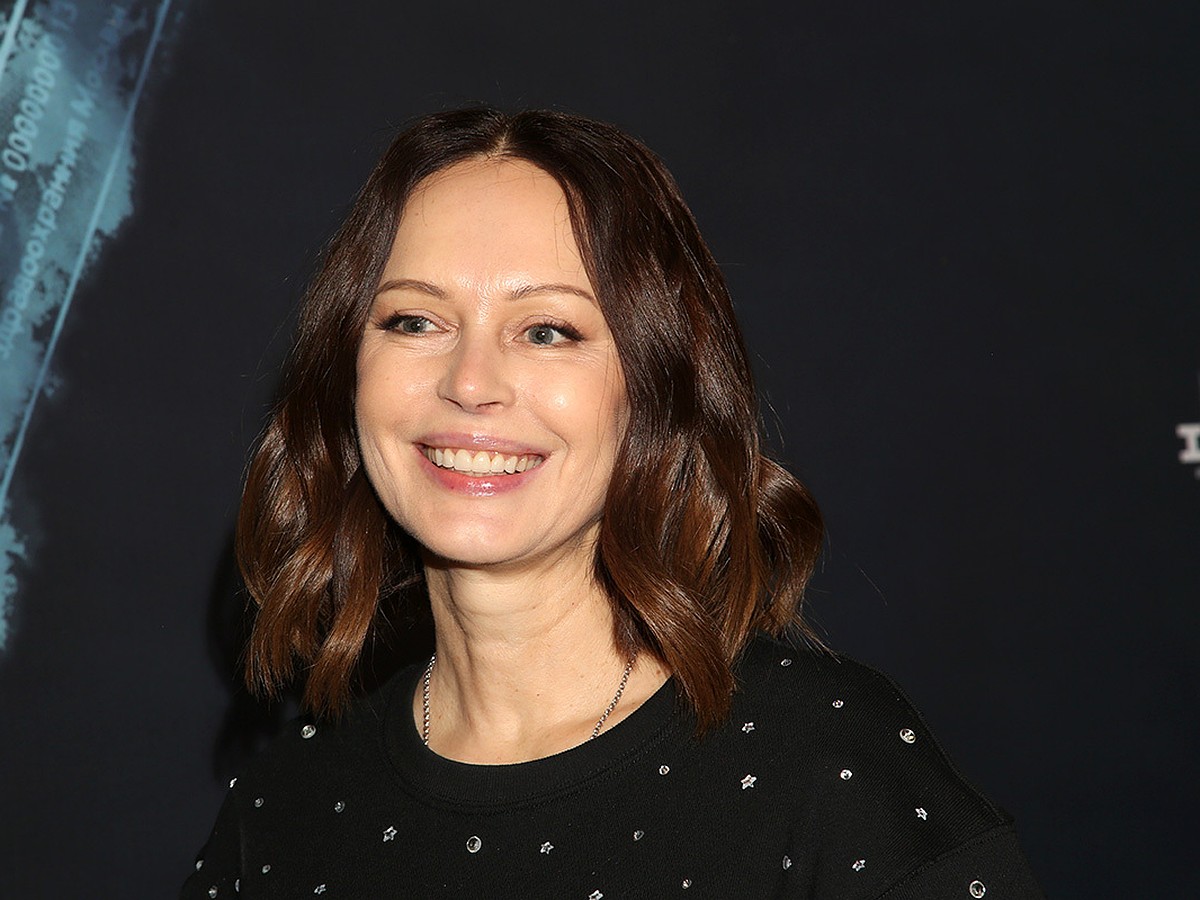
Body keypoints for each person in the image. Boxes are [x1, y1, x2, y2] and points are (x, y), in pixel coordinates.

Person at [182, 107, 1044, 899]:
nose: (470, 383)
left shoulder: (827, 768)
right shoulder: (283, 812)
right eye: (415, 321)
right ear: (347, 374)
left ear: (654, 389)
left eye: (547, 331)